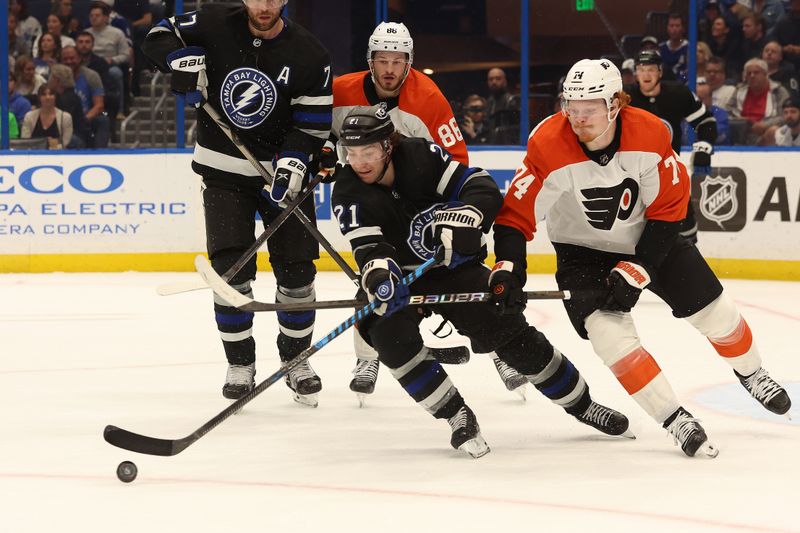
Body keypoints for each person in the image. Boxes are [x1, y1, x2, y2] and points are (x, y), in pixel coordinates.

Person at [490, 58, 791, 458]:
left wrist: (641, 266)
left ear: (616, 103)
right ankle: (674, 418)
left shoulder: (649, 133)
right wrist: (509, 268)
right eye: (571, 107)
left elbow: (670, 209)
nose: (578, 118)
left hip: (650, 239)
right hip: (582, 254)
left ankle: (752, 373)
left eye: (590, 108)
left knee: (716, 311)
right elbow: (515, 217)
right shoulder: (547, 144)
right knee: (610, 338)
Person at [331, 104, 632, 457]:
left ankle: (581, 404)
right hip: (403, 280)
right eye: (352, 153)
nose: (360, 162)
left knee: (509, 329)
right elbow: (369, 248)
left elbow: (481, 186)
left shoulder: (418, 156)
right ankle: (456, 415)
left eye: (368, 151)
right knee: (387, 334)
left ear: (387, 146)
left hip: (454, 269)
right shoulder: (347, 190)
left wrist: (466, 221)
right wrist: (382, 277)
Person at [142, 0, 332, 406]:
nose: (265, 6)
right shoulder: (211, 21)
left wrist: (295, 161)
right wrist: (177, 61)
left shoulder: (310, 54)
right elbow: (157, 36)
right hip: (224, 170)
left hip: (285, 173)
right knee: (231, 272)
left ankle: (296, 360)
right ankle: (240, 363)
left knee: (297, 273)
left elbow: (313, 124)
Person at [328, 22, 522, 404]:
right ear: (370, 61)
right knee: (375, 276)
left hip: (423, 199)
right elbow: (316, 131)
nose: (388, 69)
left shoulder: (429, 98)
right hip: (371, 196)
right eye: (382, 60)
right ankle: (368, 357)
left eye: (397, 61)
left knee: (463, 274)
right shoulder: (340, 91)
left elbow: (456, 161)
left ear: (409, 62)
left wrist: (449, 222)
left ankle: (501, 349)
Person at [626, 49, 717, 244]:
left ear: (660, 72)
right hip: (634, 179)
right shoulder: (626, 99)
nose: (646, 74)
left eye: (651, 69)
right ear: (636, 73)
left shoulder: (678, 94)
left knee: (685, 238)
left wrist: (703, 149)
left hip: (670, 177)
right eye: (641, 69)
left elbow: (706, 122)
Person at [728, 57, 790, 143]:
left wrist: (765, 125)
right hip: (741, 132)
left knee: (774, 131)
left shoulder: (778, 91)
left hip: (765, 133)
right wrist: (739, 122)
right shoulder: (739, 90)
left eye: (756, 72)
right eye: (749, 73)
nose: (752, 76)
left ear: (765, 74)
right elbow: (727, 112)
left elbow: (785, 116)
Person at [86, 1, 130, 119]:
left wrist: (113, 60)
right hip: (90, 65)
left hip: (110, 64)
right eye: (91, 16)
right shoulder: (86, 34)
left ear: (106, 17)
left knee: (115, 73)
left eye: (97, 15)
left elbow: (126, 55)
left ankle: (119, 110)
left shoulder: (117, 33)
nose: (94, 18)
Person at [60, 45, 110, 148]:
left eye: (72, 58)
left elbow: (99, 105)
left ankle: (100, 155)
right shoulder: (57, 77)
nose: (69, 62)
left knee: (103, 120)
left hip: (85, 119)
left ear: (79, 59)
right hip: (62, 120)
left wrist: (83, 119)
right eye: (65, 59)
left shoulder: (91, 76)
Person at [21, 84, 73, 149]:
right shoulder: (29, 117)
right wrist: (45, 143)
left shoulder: (65, 117)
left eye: (51, 94)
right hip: (34, 156)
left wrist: (50, 146)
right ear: (39, 98)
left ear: (55, 97)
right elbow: (25, 142)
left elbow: (65, 144)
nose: (47, 97)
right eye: (44, 95)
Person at [485, 67, 520, 136]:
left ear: (505, 81)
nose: (494, 82)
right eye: (491, 79)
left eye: (498, 78)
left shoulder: (511, 101)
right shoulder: (489, 101)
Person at [658, 13, 689, 81]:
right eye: (671, 26)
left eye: (677, 26)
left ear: (683, 28)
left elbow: (688, 72)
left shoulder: (689, 47)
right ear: (667, 28)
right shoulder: (661, 48)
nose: (674, 29)